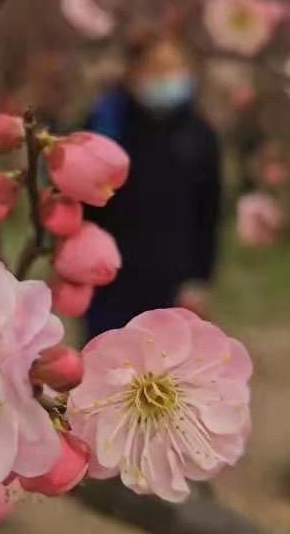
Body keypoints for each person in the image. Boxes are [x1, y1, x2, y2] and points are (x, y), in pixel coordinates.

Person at [84, 33, 222, 337]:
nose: (168, 77)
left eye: (175, 67)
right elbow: (81, 202)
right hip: (111, 281)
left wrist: (200, 279)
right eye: (157, 67)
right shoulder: (105, 123)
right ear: (133, 72)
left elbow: (208, 212)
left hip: (173, 280)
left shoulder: (200, 134)